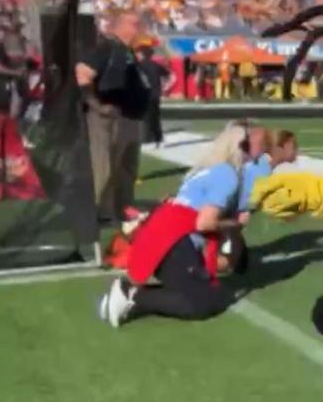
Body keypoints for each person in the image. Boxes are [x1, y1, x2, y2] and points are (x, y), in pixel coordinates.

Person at [97, 122, 257, 326]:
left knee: (214, 295)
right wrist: (234, 223)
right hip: (173, 241)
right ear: (240, 147)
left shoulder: (209, 171)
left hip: (163, 236)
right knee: (201, 303)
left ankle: (133, 294)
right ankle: (132, 295)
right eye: (252, 146)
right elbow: (204, 223)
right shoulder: (228, 175)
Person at [74, 11, 153, 225]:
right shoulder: (106, 47)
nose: (140, 28)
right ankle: (96, 212)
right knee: (104, 166)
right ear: (120, 26)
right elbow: (82, 73)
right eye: (135, 24)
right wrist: (96, 104)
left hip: (128, 117)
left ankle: (121, 209)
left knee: (126, 169)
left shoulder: (126, 51)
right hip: (107, 117)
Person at [137, 45, 173, 145]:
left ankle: (147, 138)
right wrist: (166, 87)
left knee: (145, 117)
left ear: (142, 55)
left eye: (139, 54)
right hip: (155, 94)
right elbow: (171, 76)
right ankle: (158, 138)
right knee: (155, 116)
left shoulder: (139, 66)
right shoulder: (156, 65)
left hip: (144, 94)